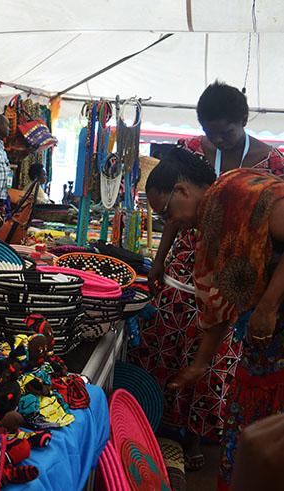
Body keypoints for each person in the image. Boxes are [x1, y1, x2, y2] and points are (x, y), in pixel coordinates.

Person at [136, 83, 284, 470]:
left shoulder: (236, 190)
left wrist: (268, 306)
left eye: (167, 213)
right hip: (252, 325)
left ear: (183, 190)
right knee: (249, 404)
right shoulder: (210, 229)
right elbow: (219, 309)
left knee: (264, 411)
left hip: (273, 322)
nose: (169, 223)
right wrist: (200, 363)